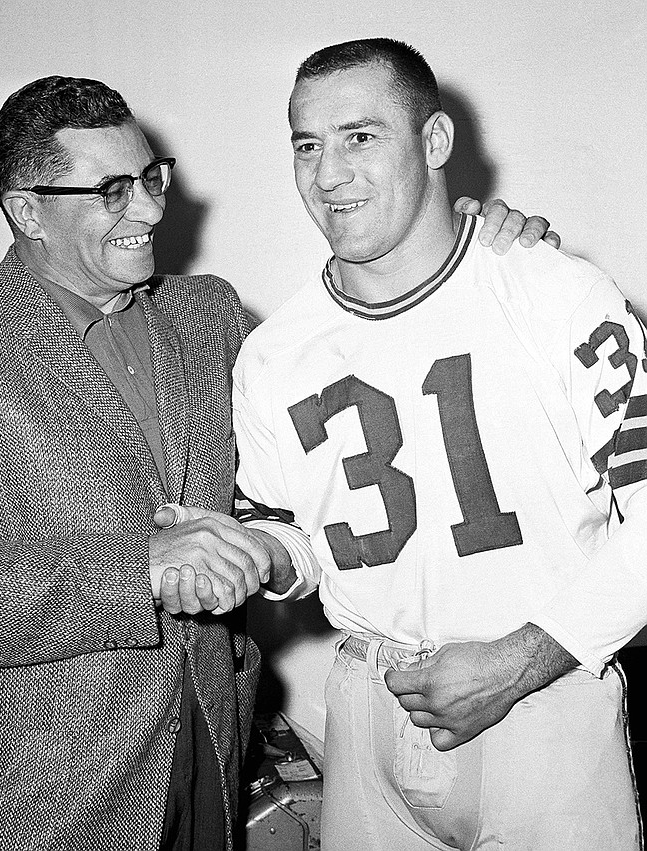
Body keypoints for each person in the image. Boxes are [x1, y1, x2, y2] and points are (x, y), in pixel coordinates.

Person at [0, 73, 549, 850]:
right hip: (39, 792)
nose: (150, 209)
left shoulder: (207, 311)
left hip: (209, 754)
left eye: (150, 178)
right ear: (27, 211)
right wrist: (141, 565)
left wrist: (463, 243)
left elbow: (335, 405)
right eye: (113, 190)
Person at [224, 38, 645, 851]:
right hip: (369, 704)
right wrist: (250, 553)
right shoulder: (274, 352)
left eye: (360, 136)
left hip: (544, 697)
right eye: (306, 146)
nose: (328, 174)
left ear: (436, 142)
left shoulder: (551, 291)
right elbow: (294, 539)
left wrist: (525, 659)